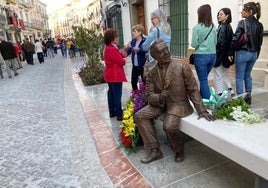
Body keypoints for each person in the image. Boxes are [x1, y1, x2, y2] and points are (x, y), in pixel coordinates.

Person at [134, 39, 215, 164]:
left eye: (166, 49)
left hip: (178, 104)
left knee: (168, 126)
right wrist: (159, 97)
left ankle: (178, 150)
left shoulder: (181, 67)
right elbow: (149, 95)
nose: (166, 53)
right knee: (139, 116)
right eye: (161, 52)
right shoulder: (151, 72)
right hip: (160, 104)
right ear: (154, 56)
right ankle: (155, 150)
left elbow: (193, 90)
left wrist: (202, 110)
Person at [228, 2, 263, 105]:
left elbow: (235, 38)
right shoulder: (260, 25)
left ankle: (239, 99)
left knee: (239, 77)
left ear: (250, 12)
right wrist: (256, 55)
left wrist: (230, 52)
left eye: (244, 10)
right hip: (254, 54)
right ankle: (248, 97)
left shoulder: (242, 23)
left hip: (243, 53)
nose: (241, 11)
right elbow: (260, 42)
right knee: (247, 75)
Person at [191, 4, 217, 99]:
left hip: (201, 56)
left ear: (200, 14)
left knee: (203, 80)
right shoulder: (213, 27)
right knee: (204, 79)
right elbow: (215, 42)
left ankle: (207, 102)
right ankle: (202, 98)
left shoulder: (197, 27)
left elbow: (194, 44)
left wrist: (200, 45)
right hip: (213, 56)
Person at [103, 29, 127, 121]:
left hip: (109, 75)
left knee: (111, 94)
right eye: (116, 36)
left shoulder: (108, 48)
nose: (118, 38)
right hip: (115, 75)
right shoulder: (112, 49)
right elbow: (120, 62)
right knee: (117, 95)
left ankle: (112, 112)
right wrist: (123, 60)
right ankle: (119, 114)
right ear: (112, 39)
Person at [142, 9, 171, 75]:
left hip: (155, 60)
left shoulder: (155, 30)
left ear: (158, 18)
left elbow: (145, 47)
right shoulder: (168, 29)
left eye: (153, 19)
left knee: (154, 83)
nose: (151, 21)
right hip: (166, 59)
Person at [214, 8, 234, 96]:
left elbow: (221, 43)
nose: (219, 16)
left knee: (218, 74)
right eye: (218, 14)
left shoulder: (222, 26)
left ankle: (220, 94)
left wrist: (216, 52)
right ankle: (230, 89)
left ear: (227, 16)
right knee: (224, 73)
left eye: (221, 14)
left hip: (220, 55)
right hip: (226, 55)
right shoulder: (229, 26)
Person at [124, 24, 147, 92]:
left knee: (145, 82)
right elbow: (128, 52)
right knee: (133, 82)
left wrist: (139, 50)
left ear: (140, 32)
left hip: (143, 66)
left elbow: (147, 52)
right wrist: (126, 48)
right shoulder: (133, 41)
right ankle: (136, 97)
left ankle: (145, 97)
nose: (133, 33)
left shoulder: (145, 41)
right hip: (135, 66)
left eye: (135, 31)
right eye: (133, 31)